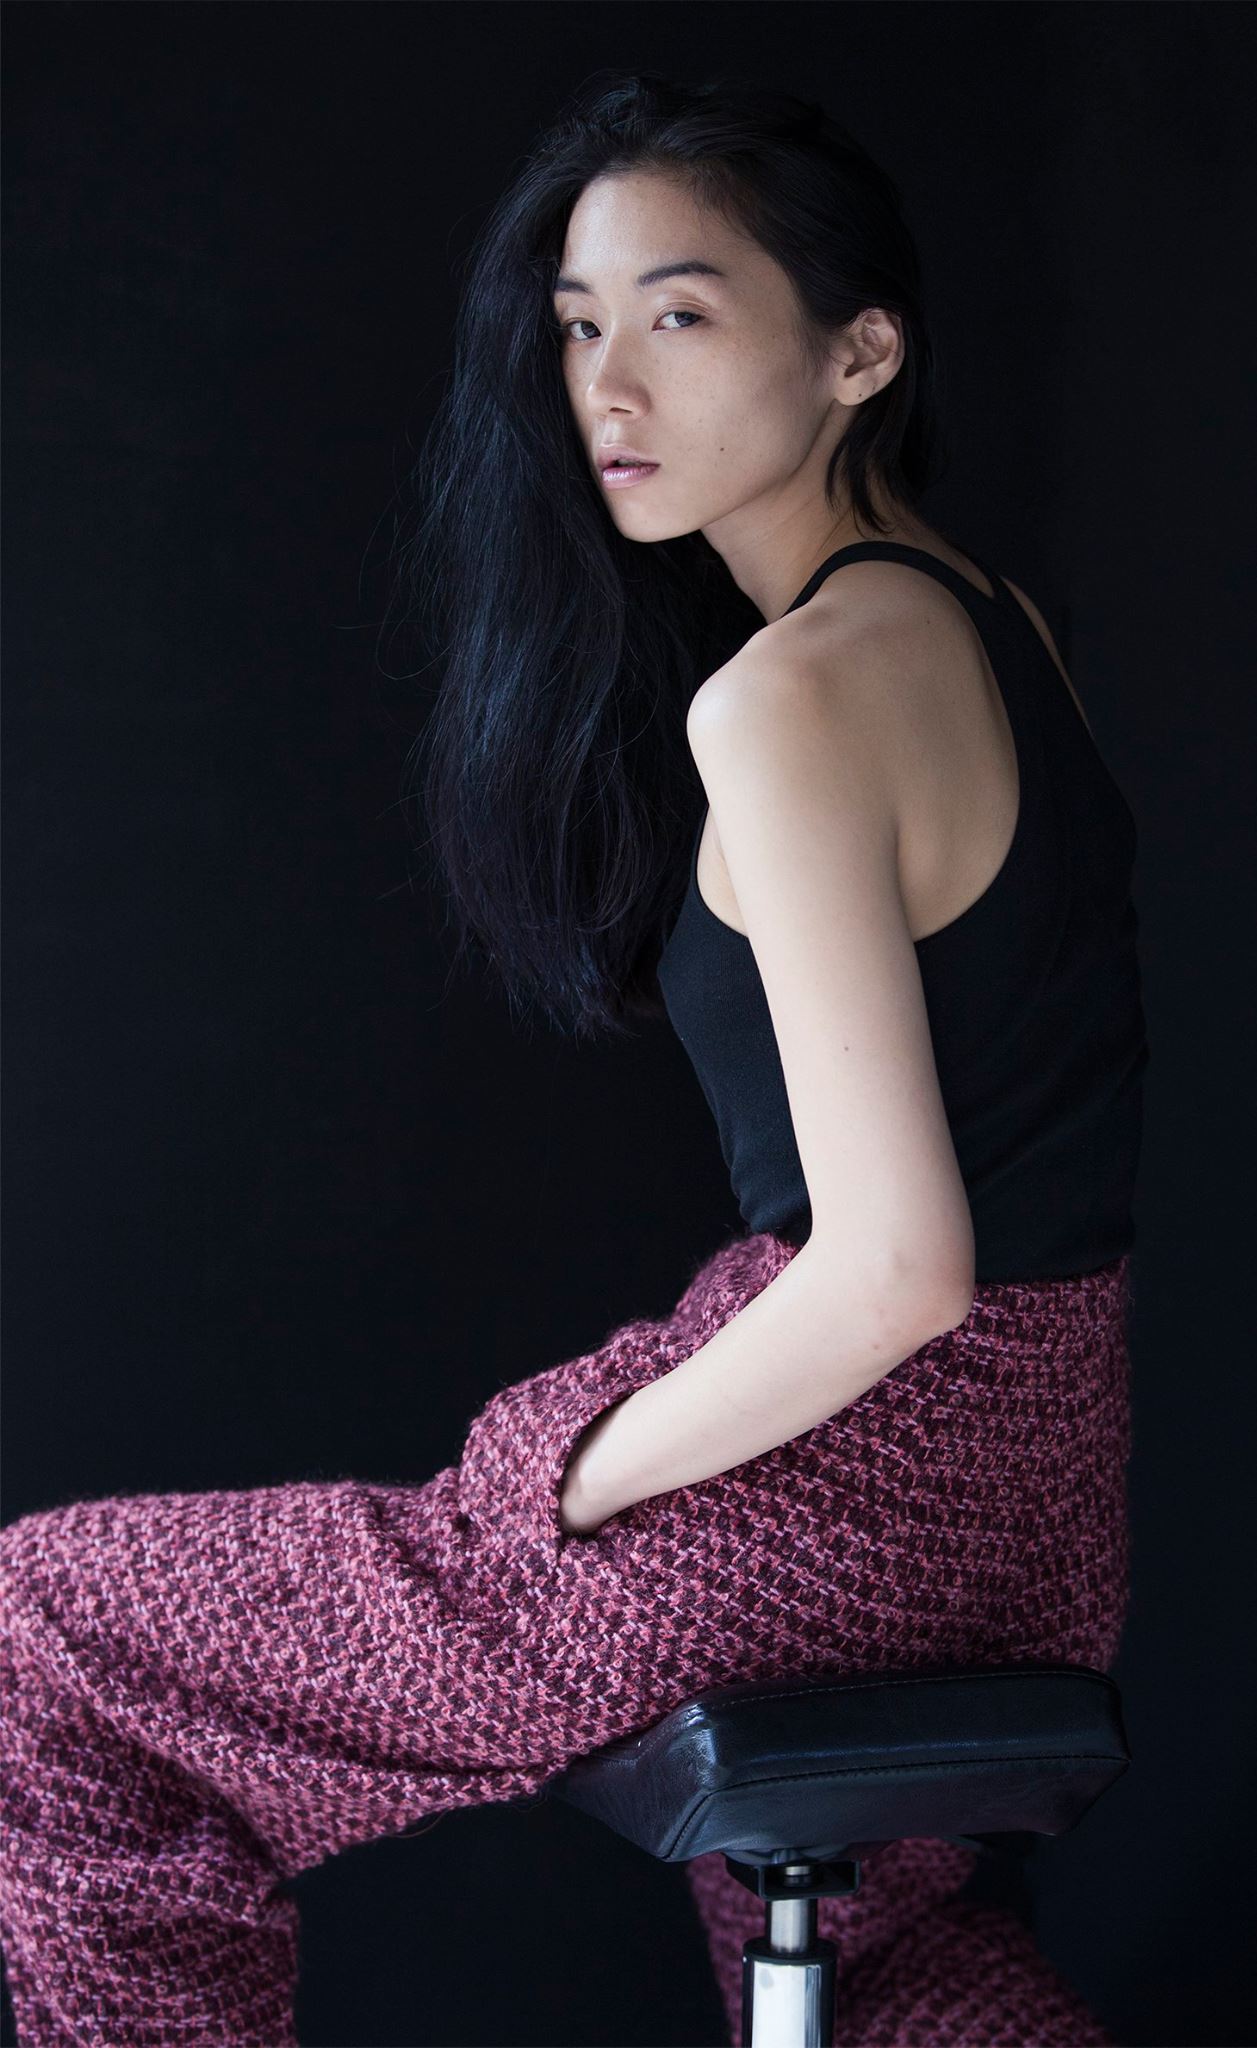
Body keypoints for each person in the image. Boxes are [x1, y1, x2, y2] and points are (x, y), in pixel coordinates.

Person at [0, 68, 1149, 2047]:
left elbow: (895, 1267)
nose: (607, 386)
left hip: (854, 1490)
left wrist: (557, 1476)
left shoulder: (788, 702)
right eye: (577, 323)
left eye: (680, 314)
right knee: (874, 1953)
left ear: (860, 351)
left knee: (39, 1632)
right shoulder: (989, 623)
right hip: (1045, 1496)